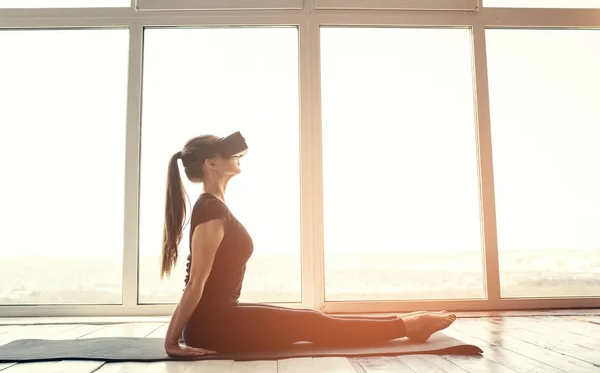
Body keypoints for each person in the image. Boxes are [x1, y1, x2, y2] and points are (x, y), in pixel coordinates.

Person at [160, 132, 457, 357]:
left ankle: (402, 321)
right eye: (228, 153)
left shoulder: (216, 206)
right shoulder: (211, 210)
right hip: (211, 327)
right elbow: (196, 282)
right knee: (311, 324)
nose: (236, 157)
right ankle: (409, 326)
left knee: (310, 319)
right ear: (212, 163)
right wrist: (171, 341)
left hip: (219, 318)